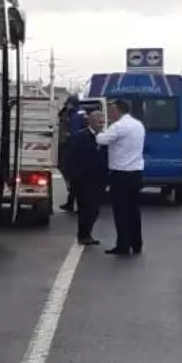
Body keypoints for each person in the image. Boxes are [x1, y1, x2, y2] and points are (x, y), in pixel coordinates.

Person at [93, 98, 145, 256]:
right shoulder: (138, 125)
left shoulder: (119, 126)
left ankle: (123, 245)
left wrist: (98, 129)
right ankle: (136, 243)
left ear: (119, 110)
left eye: (112, 110)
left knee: (121, 211)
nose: (109, 113)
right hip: (136, 172)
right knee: (134, 210)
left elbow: (101, 140)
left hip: (121, 174)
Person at [63, 110, 109, 245]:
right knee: (86, 208)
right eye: (98, 122)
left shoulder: (105, 137)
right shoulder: (80, 136)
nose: (101, 125)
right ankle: (83, 234)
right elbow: (71, 157)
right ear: (90, 121)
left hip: (99, 179)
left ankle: (87, 233)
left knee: (94, 209)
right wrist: (73, 177)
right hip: (83, 179)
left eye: (102, 122)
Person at [57, 95, 86, 212]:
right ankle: (72, 203)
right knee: (75, 180)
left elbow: (74, 131)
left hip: (74, 149)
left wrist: (68, 136)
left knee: (75, 179)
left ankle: (75, 204)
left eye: (68, 103)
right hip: (75, 149)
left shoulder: (75, 114)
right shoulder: (77, 112)